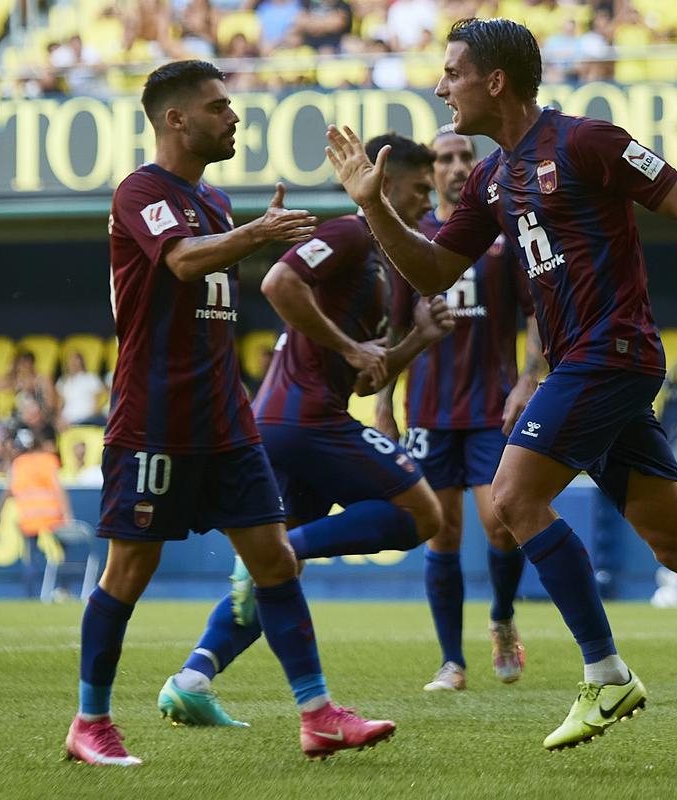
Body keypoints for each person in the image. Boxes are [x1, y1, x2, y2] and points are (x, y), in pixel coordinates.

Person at [325, 17, 677, 767]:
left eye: (452, 73)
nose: (441, 87)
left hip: (613, 353)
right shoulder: (490, 176)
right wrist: (374, 206)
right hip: (588, 364)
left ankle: (604, 673)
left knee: (509, 501)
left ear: (495, 81)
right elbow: (435, 272)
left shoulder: (589, 142)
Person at [65, 60, 394, 767]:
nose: (234, 116)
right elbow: (182, 263)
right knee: (129, 569)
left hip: (226, 419)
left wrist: (247, 231)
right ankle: (90, 722)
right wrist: (257, 234)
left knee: (275, 559)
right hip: (154, 419)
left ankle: (318, 714)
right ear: (176, 119)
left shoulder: (212, 201)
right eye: (219, 106)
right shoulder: (140, 191)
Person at [156, 133, 455, 726]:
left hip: (297, 418)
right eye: (420, 188)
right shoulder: (348, 232)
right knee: (424, 515)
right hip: (305, 418)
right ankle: (288, 550)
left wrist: (418, 338)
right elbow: (277, 284)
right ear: (385, 179)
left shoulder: (384, 265)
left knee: (271, 573)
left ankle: (192, 678)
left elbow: (367, 374)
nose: (428, 201)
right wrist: (348, 344)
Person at [374, 126, 546, 693]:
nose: (454, 165)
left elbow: (536, 311)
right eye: (444, 158)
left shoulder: (500, 235)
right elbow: (395, 328)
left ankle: (500, 616)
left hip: (491, 408)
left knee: (501, 525)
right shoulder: (411, 237)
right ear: (430, 169)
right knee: (441, 535)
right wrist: (382, 402)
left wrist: (528, 378)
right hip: (427, 410)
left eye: (463, 155)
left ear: (476, 165)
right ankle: (452, 661)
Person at [0, 429, 74, 599]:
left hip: (29, 518)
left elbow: (7, 490)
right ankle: (63, 590)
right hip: (53, 518)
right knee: (60, 555)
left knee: (31, 559)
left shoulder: (18, 464)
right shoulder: (48, 460)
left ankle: (30, 596)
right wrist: (67, 513)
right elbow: (58, 488)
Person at [56, 351, 106, 427]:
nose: (73, 364)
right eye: (71, 361)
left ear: (82, 363)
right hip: (66, 420)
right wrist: (59, 418)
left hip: (86, 418)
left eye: (76, 361)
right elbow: (60, 403)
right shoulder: (63, 381)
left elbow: (99, 400)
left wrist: (94, 414)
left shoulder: (90, 378)